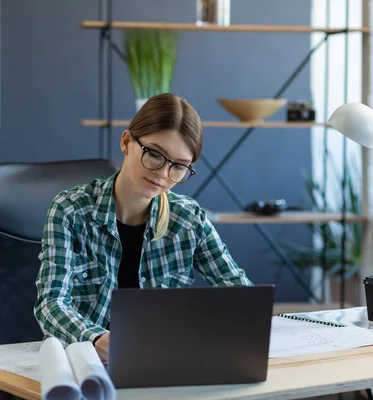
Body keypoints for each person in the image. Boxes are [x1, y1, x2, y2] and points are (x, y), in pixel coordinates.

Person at [34, 93, 253, 361]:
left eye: (179, 166)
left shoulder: (188, 219)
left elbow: (241, 295)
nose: (162, 173)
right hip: (86, 362)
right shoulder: (71, 210)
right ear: (126, 142)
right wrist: (97, 338)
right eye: (154, 154)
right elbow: (51, 304)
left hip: (161, 360)